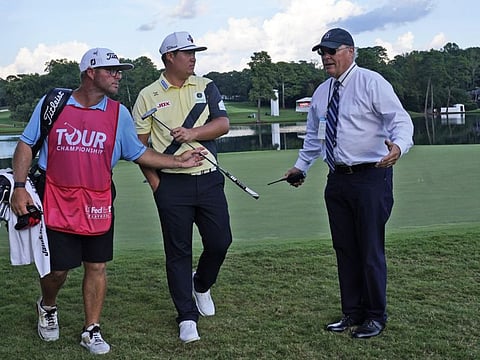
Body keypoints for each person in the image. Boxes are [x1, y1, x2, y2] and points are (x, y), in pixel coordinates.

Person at [10, 47, 205, 355]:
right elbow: (26, 144)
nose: (118, 76)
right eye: (111, 71)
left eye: (119, 72)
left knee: (96, 265)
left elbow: (138, 152)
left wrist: (177, 161)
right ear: (91, 73)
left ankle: (91, 329)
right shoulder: (54, 103)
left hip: (98, 199)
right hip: (56, 197)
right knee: (58, 270)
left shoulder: (118, 112)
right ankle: (47, 306)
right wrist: (19, 186)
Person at [285, 28, 414, 339]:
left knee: (369, 249)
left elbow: (401, 120)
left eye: (331, 51)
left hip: (371, 176)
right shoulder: (321, 93)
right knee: (345, 249)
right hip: (337, 180)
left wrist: (398, 146)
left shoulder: (371, 82)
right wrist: (299, 168)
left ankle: (375, 316)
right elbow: (314, 141)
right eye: (321, 52)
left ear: (350, 52)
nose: (325, 57)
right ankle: (352, 313)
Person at [132, 31, 232, 343]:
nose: (193, 57)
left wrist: (193, 133)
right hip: (171, 185)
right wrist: (156, 183)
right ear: (169, 58)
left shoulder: (206, 85)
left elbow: (223, 124)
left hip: (209, 179)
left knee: (220, 242)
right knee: (178, 252)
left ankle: (200, 284)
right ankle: (186, 316)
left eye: (194, 52)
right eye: (187, 53)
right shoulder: (148, 95)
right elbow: (140, 147)